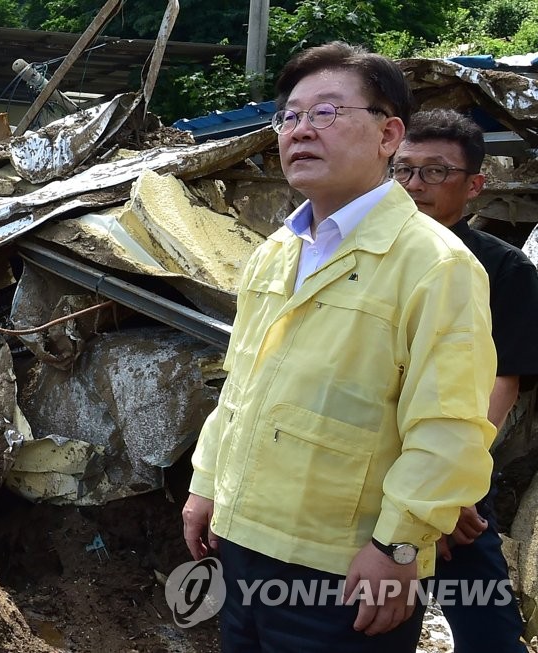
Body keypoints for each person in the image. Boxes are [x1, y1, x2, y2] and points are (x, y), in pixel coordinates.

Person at [182, 42, 498, 652]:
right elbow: (242, 388)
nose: (300, 130)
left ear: (389, 135)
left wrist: (399, 546)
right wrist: (207, 486)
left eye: (326, 113)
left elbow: (450, 427)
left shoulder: (434, 265)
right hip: (244, 543)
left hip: (345, 568)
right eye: (290, 116)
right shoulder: (277, 252)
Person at [394, 108, 538, 653]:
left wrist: (450, 488)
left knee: (487, 633)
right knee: (374, 618)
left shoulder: (501, 269)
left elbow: (501, 384)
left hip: (457, 483)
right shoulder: (366, 254)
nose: (413, 186)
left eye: (434, 173)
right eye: (403, 169)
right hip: (369, 475)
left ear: (474, 185)